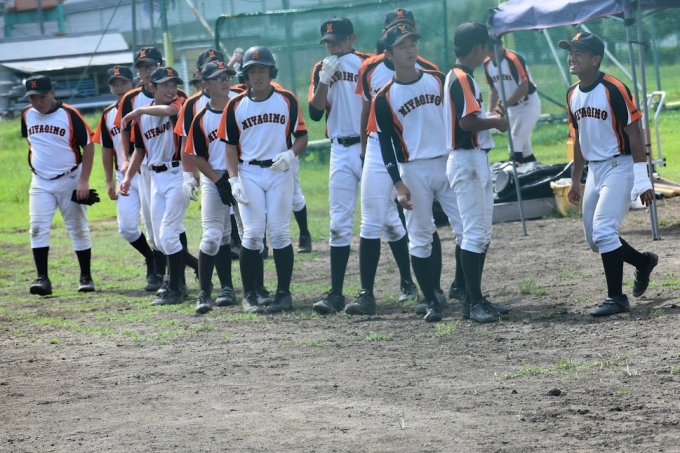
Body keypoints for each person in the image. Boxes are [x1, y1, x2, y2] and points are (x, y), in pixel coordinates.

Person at [353, 8, 446, 316]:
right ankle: (366, 294)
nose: (405, 38)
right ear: (387, 39)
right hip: (378, 144)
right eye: (397, 30)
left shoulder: (429, 70)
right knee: (370, 218)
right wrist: (364, 151)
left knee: (423, 220)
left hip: (414, 151)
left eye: (409, 31)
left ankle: (432, 290)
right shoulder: (369, 68)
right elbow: (367, 110)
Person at [560, 32, 657, 317]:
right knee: (595, 240)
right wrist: (576, 180)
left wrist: (642, 178)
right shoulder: (572, 93)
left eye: (579, 53)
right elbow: (579, 139)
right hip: (595, 169)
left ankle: (616, 297)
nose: (572, 57)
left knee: (604, 231)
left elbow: (634, 133)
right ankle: (643, 262)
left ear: (595, 59)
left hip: (619, 165)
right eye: (570, 52)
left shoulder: (613, 88)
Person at [371, 24, 462, 322]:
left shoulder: (439, 80)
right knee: (420, 237)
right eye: (402, 46)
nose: (410, 49)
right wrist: (397, 183)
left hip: (447, 163)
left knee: (467, 230)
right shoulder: (384, 97)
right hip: (413, 170)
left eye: (412, 43)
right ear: (388, 54)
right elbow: (385, 145)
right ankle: (431, 300)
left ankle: (466, 290)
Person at [219, 46, 309, 313]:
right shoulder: (235, 105)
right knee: (253, 233)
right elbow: (229, 147)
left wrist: (290, 154)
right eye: (252, 71)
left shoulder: (286, 99)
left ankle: (283, 294)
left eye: (262, 70)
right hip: (249, 172)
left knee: (280, 233)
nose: (257, 76)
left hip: (279, 170)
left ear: (272, 72)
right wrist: (234, 180)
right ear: (245, 75)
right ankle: (249, 295)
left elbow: (302, 136)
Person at [114, 47, 197, 295]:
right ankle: (199, 267)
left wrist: (140, 110)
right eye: (165, 85)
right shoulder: (142, 116)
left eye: (173, 84)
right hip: (154, 176)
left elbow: (171, 111)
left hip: (177, 174)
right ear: (152, 87)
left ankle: (175, 286)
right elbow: (139, 149)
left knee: (169, 234)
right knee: (158, 240)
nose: (171, 89)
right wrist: (127, 177)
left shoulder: (178, 102)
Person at [444, 23, 511, 323]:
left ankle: (473, 297)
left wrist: (491, 118)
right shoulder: (461, 78)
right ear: (477, 48)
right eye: (485, 45)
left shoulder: (464, 76)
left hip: (473, 159)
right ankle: (474, 302)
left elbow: (470, 119)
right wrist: (496, 123)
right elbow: (466, 124)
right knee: (474, 234)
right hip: (466, 160)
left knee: (481, 234)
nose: (488, 51)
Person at [307, 17, 374, 315]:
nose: (333, 47)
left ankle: (405, 284)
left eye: (338, 41)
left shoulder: (368, 64)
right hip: (340, 149)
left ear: (352, 38)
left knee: (385, 220)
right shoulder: (322, 68)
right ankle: (335, 293)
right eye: (328, 42)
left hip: (370, 146)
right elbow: (315, 112)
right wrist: (324, 79)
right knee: (338, 224)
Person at [22, 74, 96, 295]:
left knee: (77, 227)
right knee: (37, 227)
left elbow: (88, 145)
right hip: (40, 180)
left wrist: (84, 180)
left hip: (70, 178)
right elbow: (33, 143)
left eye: (42, 96)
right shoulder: (27, 114)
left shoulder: (69, 114)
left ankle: (86, 277)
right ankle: (42, 279)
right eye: (33, 97)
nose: (38, 102)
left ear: (52, 93)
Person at [94, 65, 157, 291]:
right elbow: (106, 148)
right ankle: (151, 258)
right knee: (127, 228)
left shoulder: (145, 105)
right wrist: (109, 180)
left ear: (133, 83)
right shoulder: (108, 114)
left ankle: (162, 270)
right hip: (124, 176)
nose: (119, 87)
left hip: (148, 172)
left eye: (123, 82)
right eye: (114, 84)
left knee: (155, 227)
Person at [184, 60, 239, 314]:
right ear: (205, 84)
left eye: (227, 76)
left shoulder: (241, 105)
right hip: (213, 176)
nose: (225, 81)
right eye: (218, 78)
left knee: (243, 235)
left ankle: (231, 287)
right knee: (212, 236)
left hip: (242, 175)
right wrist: (218, 181)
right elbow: (197, 156)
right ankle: (204, 292)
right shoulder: (201, 118)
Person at [483, 37, 541, 164]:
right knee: (525, 150)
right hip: (511, 109)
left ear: (501, 44)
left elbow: (524, 88)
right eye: (488, 49)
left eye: (493, 48)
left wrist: (504, 106)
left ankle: (515, 173)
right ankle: (535, 171)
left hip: (527, 105)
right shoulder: (487, 64)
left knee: (515, 140)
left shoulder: (513, 59)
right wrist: (490, 112)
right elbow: (493, 90)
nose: (491, 53)